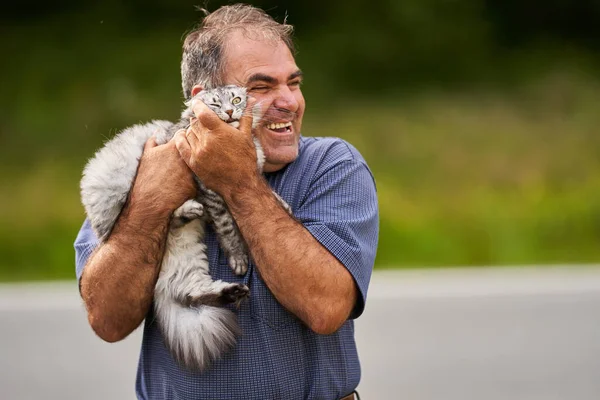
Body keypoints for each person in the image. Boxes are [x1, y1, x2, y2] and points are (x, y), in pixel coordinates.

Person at [74, 4, 378, 400]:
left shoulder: (333, 165)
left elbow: (325, 307)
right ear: (204, 101)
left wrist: (239, 182)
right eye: (262, 87)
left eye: (294, 83)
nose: (289, 101)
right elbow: (107, 320)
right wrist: (151, 200)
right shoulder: (144, 165)